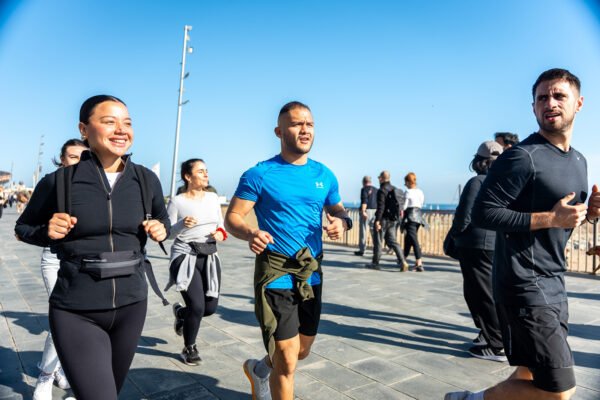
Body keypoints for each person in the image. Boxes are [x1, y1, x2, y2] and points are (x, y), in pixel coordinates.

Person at [446, 68, 600, 400]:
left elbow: (566, 220)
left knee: (530, 370)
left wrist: (590, 213)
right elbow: (484, 213)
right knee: (560, 390)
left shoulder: (579, 161)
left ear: (579, 103)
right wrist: (550, 218)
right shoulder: (522, 157)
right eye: (542, 97)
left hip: (554, 280)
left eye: (559, 95)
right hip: (522, 283)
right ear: (533, 107)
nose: (551, 103)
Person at [15, 95, 169, 400]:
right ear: (84, 129)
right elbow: (22, 228)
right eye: (109, 122)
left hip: (131, 305)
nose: (121, 130)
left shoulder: (146, 179)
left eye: (127, 123)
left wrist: (160, 229)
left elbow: (162, 218)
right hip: (77, 309)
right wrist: (48, 231)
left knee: (110, 391)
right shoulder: (60, 181)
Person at [224, 101, 351, 400]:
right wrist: (250, 232)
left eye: (309, 124)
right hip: (276, 273)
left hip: (311, 274)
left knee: (301, 351)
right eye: (296, 124)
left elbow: (340, 211)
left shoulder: (325, 174)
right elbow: (232, 218)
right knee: (288, 358)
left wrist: (342, 224)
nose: (304, 129)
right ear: (279, 131)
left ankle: (259, 370)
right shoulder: (260, 174)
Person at [32, 138, 88, 400]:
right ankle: (45, 376)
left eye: (84, 157)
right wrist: (48, 231)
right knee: (62, 319)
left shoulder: (96, 186)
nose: (78, 161)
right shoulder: (51, 183)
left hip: (86, 262)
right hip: (55, 259)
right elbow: (24, 227)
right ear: (62, 159)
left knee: (79, 323)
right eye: (72, 156)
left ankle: (62, 368)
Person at [165, 158, 226, 366]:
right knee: (197, 306)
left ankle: (182, 313)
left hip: (209, 256)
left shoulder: (212, 198)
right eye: (201, 171)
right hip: (185, 257)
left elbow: (222, 226)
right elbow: (166, 234)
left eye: (206, 170)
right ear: (188, 176)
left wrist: (220, 234)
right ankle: (189, 347)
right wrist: (181, 224)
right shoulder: (177, 201)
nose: (206, 174)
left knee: (209, 308)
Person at [449, 140, 506, 364]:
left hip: (474, 245)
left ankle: (497, 344)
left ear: (478, 161)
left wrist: (454, 235)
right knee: (489, 292)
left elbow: (464, 216)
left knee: (478, 294)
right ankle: (490, 334)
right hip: (495, 244)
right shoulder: (504, 183)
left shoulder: (476, 182)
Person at [367, 171, 409, 271]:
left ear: (381, 178)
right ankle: (403, 261)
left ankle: (375, 262)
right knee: (392, 241)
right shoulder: (394, 189)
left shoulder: (382, 190)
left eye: (379, 178)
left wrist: (377, 221)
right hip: (393, 219)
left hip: (383, 219)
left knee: (378, 241)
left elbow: (381, 207)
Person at [402, 172, 425, 271]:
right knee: (409, 238)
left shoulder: (408, 192)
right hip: (419, 217)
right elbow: (421, 203)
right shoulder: (420, 191)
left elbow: (404, 206)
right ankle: (403, 258)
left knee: (413, 239)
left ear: (408, 182)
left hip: (410, 216)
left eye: (405, 182)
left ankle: (419, 262)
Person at [354, 175, 377, 256]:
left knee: (363, 230)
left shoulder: (364, 189)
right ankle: (376, 248)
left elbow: (364, 201)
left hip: (366, 211)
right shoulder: (376, 190)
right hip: (375, 211)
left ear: (363, 182)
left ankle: (362, 249)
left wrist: (363, 211)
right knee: (373, 230)